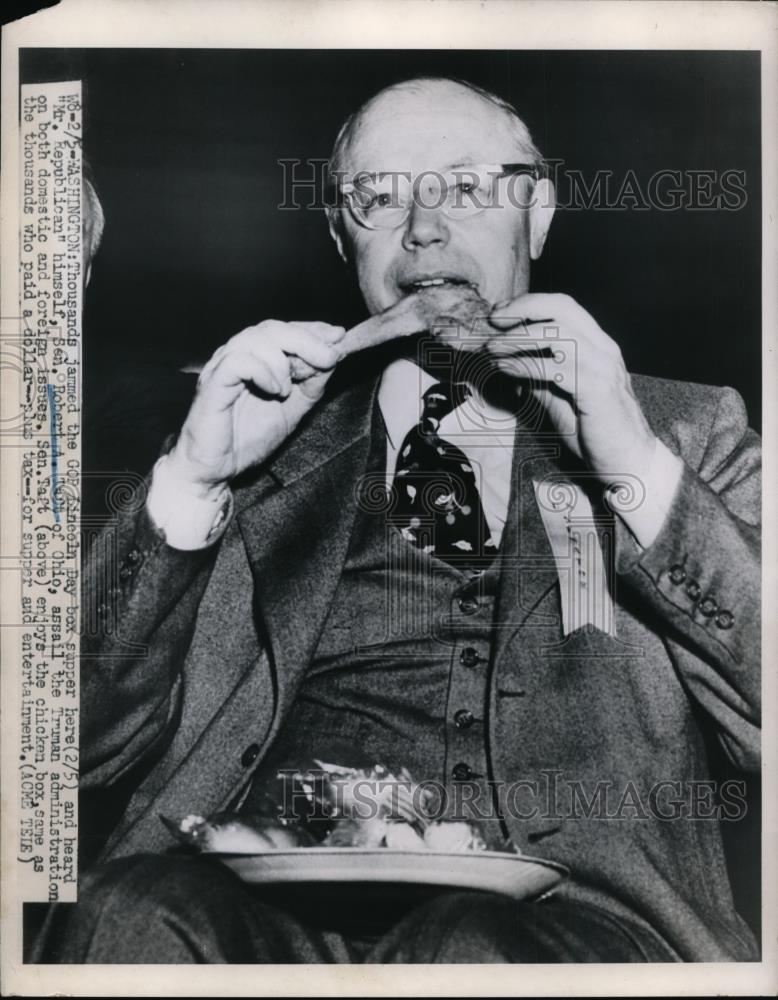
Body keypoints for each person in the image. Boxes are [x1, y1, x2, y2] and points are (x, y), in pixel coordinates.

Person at [40, 77, 760, 963]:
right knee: (132, 912)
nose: (422, 227)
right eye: (377, 199)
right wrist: (190, 481)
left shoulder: (687, 430)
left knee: (466, 946)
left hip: (575, 931)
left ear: (537, 214)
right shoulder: (241, 431)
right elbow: (59, 757)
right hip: (258, 921)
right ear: (341, 234)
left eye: (465, 188)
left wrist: (637, 470)